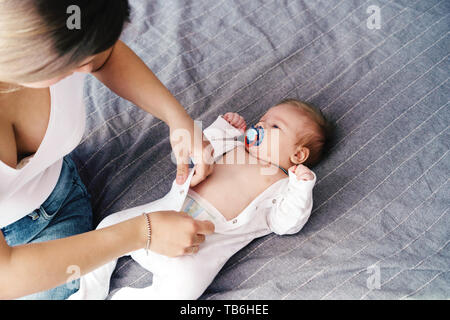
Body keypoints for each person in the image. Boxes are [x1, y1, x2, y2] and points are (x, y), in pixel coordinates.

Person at [0, 0, 215, 300]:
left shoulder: (72, 24)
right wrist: (143, 232)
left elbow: (105, 56)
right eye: (72, 62)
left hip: (61, 201)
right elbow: (5, 275)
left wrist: (177, 119)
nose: (88, 67)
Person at [71, 99, 332, 300]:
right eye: (262, 120)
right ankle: (87, 292)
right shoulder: (235, 146)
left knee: (184, 290)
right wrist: (224, 128)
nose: (260, 126)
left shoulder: (284, 186)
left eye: (275, 126)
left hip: (200, 247)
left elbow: (286, 224)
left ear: (298, 155)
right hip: (163, 215)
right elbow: (200, 152)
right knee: (109, 225)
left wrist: (301, 187)